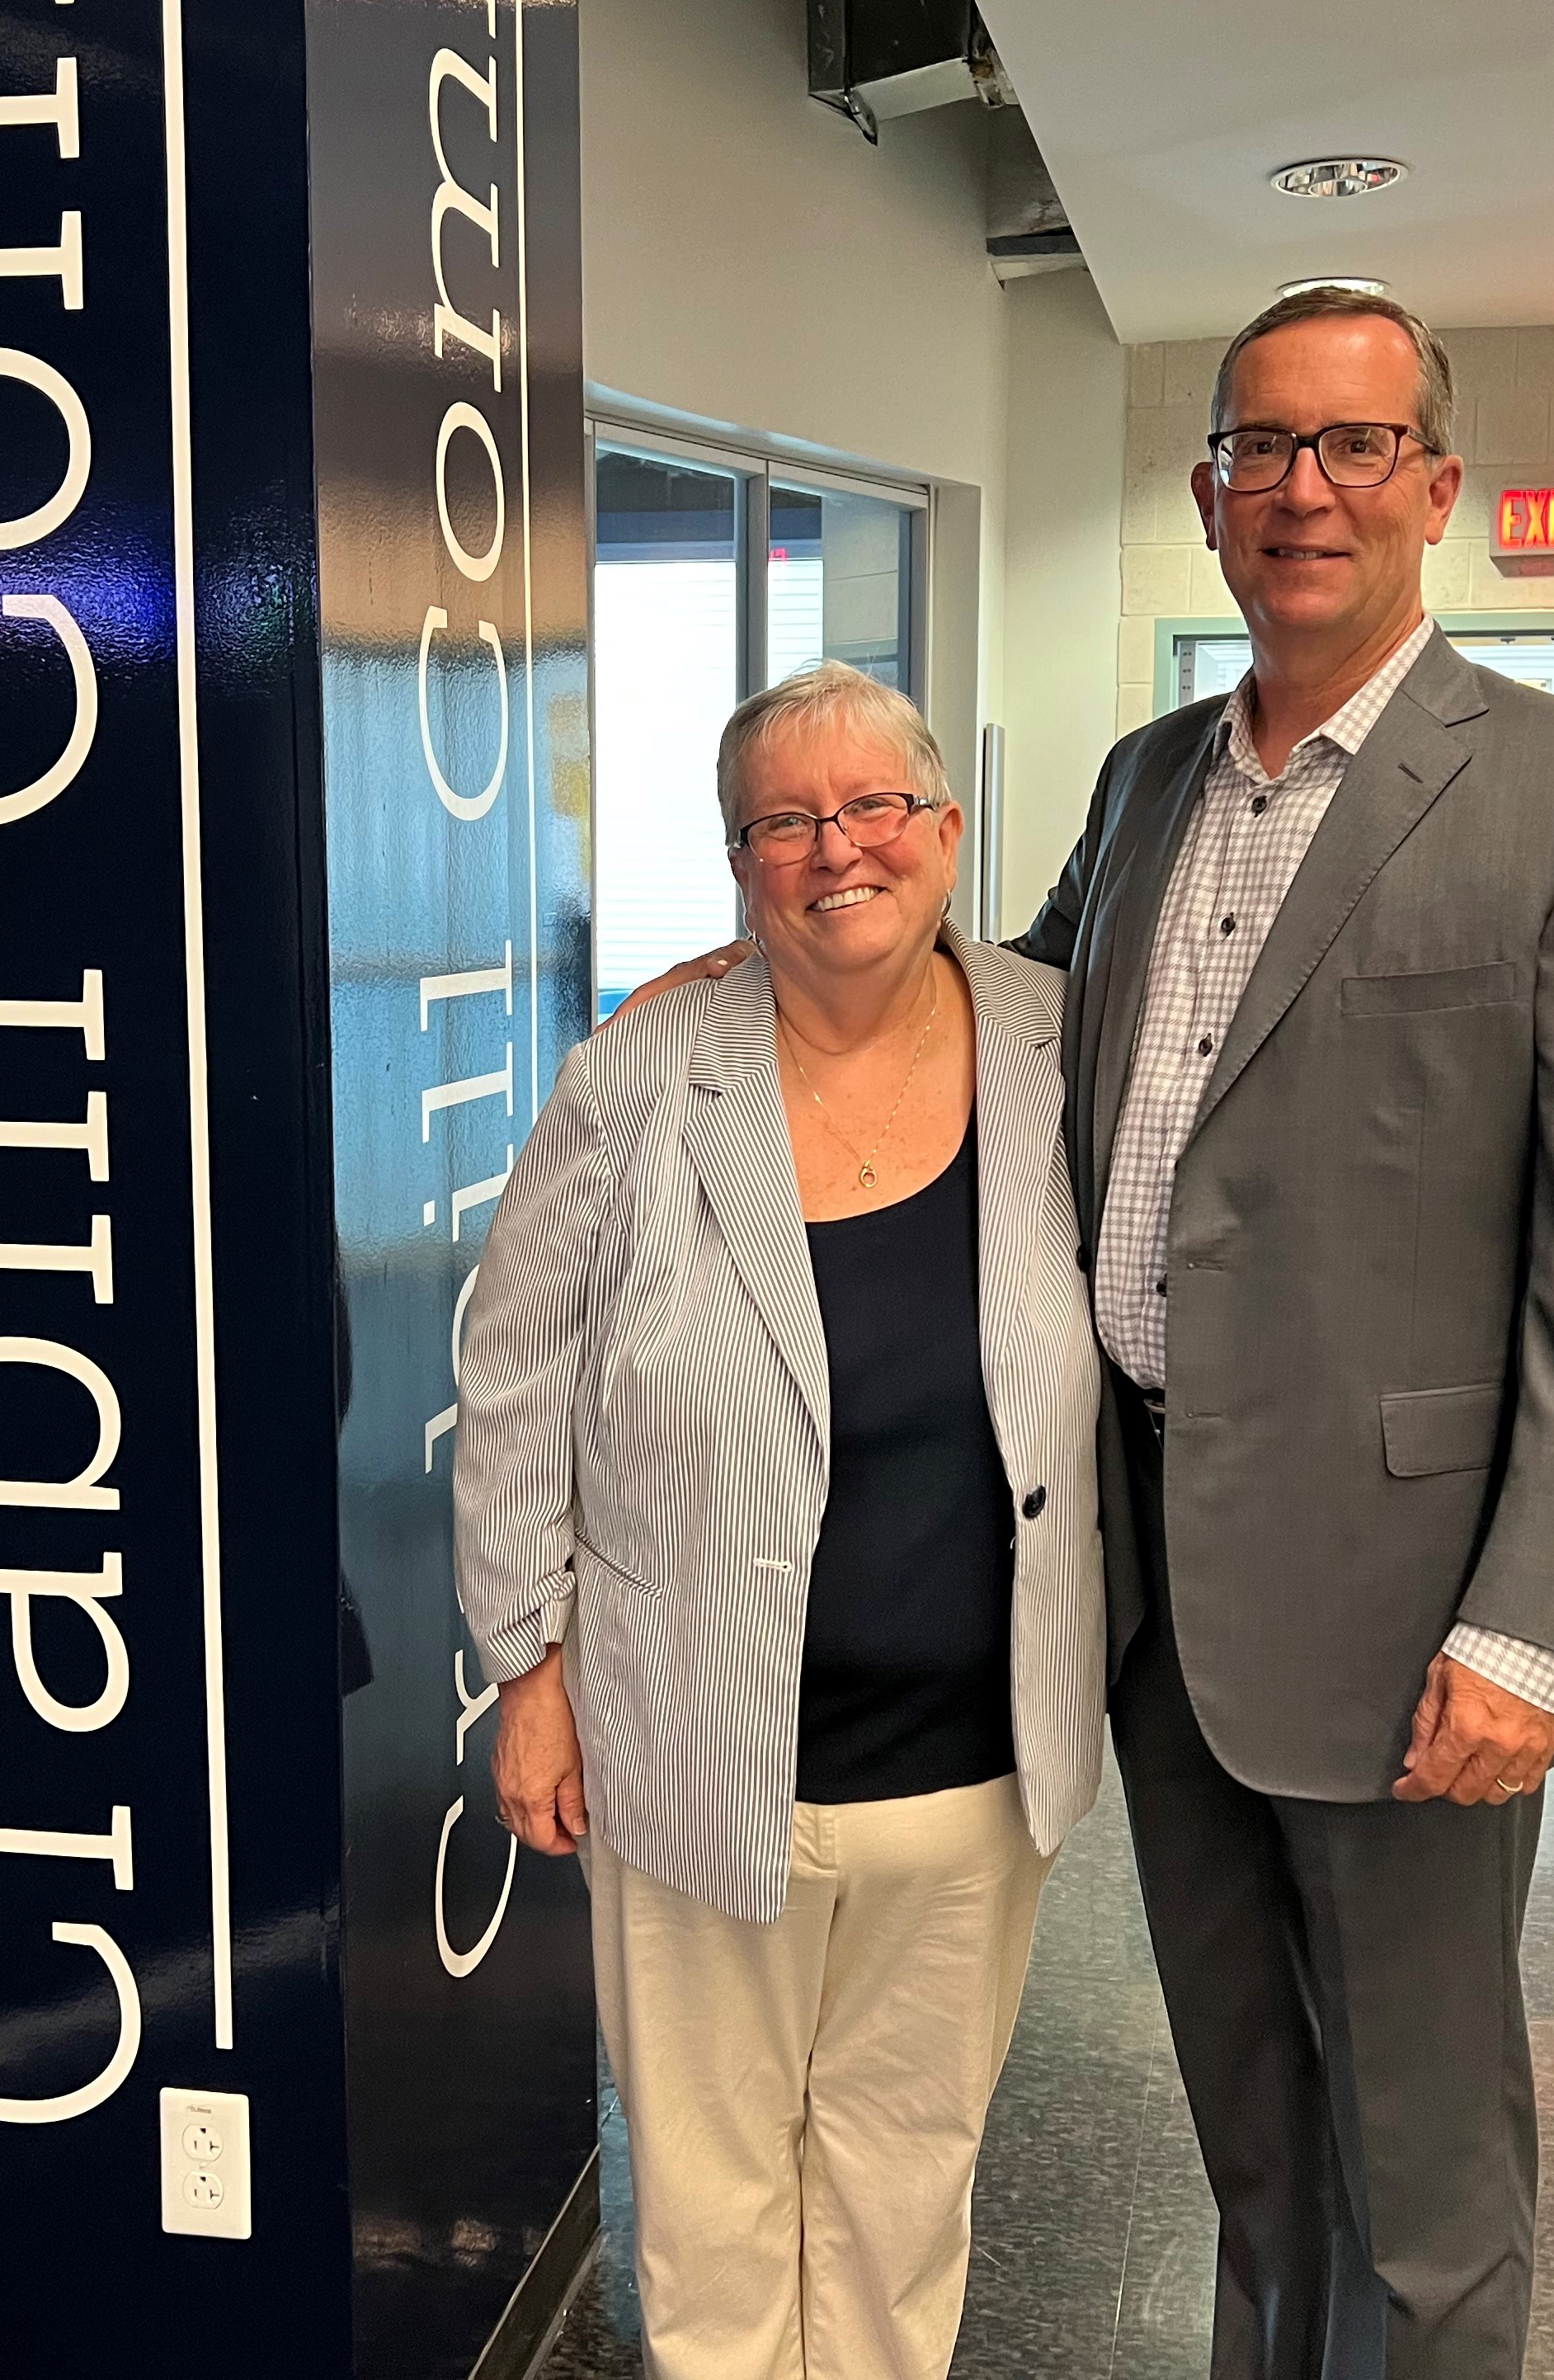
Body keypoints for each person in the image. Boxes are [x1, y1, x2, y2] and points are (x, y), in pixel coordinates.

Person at [1020, 289, 1554, 2375]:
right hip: (1157, 1583)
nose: (1302, 489)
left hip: (1414, 1615)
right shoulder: (1151, 780)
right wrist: (783, 946)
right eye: (1263, 448)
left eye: (1353, 447)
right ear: (1208, 491)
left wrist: (1536, 1624)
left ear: (1438, 485)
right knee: (1251, 2127)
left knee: (1426, 2165)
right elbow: (1020, 1028)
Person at [453, 660, 1107, 2380]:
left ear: (946, 831)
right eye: (787, 823)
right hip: (695, 1745)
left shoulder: (1055, 1042)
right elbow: (512, 1375)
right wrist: (526, 1666)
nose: (839, 851)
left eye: (874, 807)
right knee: (716, 2200)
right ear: (744, 864)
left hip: (975, 1768)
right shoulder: (642, 1073)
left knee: (907, 2186)